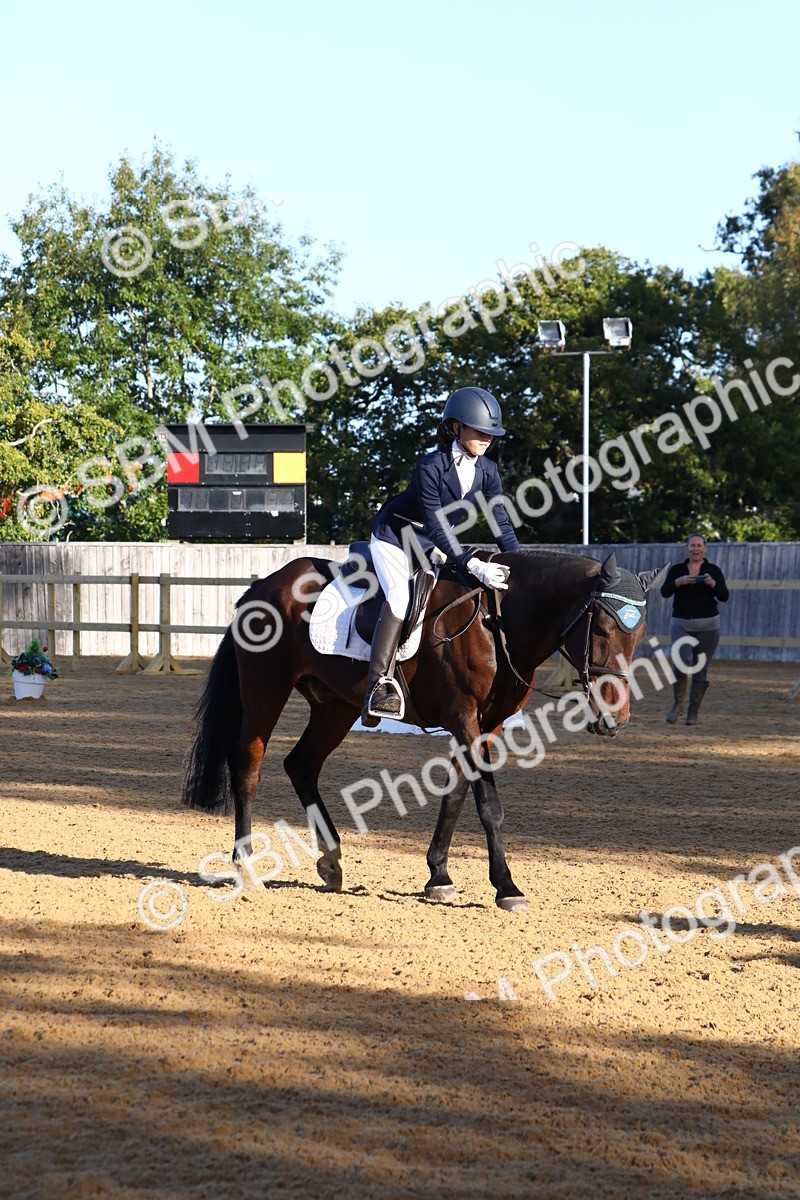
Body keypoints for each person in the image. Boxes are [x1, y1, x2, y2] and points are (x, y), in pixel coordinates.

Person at [361, 386, 520, 726]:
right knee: (401, 597)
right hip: (395, 538)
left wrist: (521, 564)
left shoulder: (488, 471)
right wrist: (472, 563)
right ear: (456, 428)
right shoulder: (431, 466)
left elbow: (500, 522)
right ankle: (377, 686)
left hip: (430, 545)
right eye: (479, 430)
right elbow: (436, 526)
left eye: (491, 433)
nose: (487, 438)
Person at [661, 533, 729, 725]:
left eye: (699, 545)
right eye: (692, 545)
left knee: (700, 669)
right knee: (681, 662)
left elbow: (724, 596)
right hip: (681, 624)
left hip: (708, 627)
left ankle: (693, 712)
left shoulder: (713, 570)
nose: (696, 549)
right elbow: (665, 592)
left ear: (705, 548)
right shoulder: (677, 570)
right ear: (687, 548)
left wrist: (713, 584)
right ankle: (678, 705)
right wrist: (678, 582)